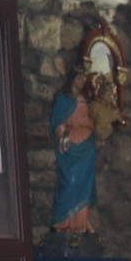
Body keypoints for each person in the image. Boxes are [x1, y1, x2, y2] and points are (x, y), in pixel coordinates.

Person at [50, 71, 97, 233]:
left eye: (84, 79)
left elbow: (95, 118)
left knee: (84, 184)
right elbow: (57, 121)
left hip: (87, 147)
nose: (81, 81)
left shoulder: (88, 99)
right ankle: (63, 222)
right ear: (72, 78)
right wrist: (62, 134)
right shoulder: (64, 98)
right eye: (79, 77)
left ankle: (80, 224)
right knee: (70, 181)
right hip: (70, 145)